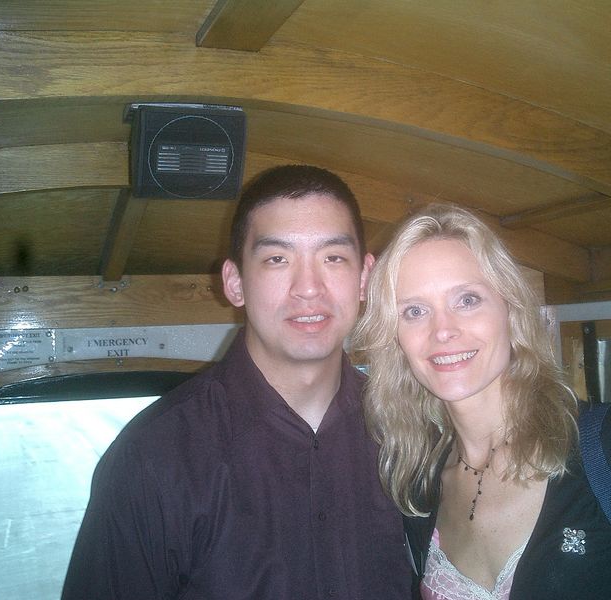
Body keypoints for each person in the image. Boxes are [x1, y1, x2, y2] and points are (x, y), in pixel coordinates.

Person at [353, 203, 611, 600]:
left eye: (467, 300)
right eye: (415, 310)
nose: (443, 330)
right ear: (395, 337)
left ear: (510, 310)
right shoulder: (419, 486)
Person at [61, 165, 411, 599]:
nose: (308, 288)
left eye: (333, 258)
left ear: (364, 278)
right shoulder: (151, 460)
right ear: (235, 283)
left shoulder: (405, 437)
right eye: (277, 259)